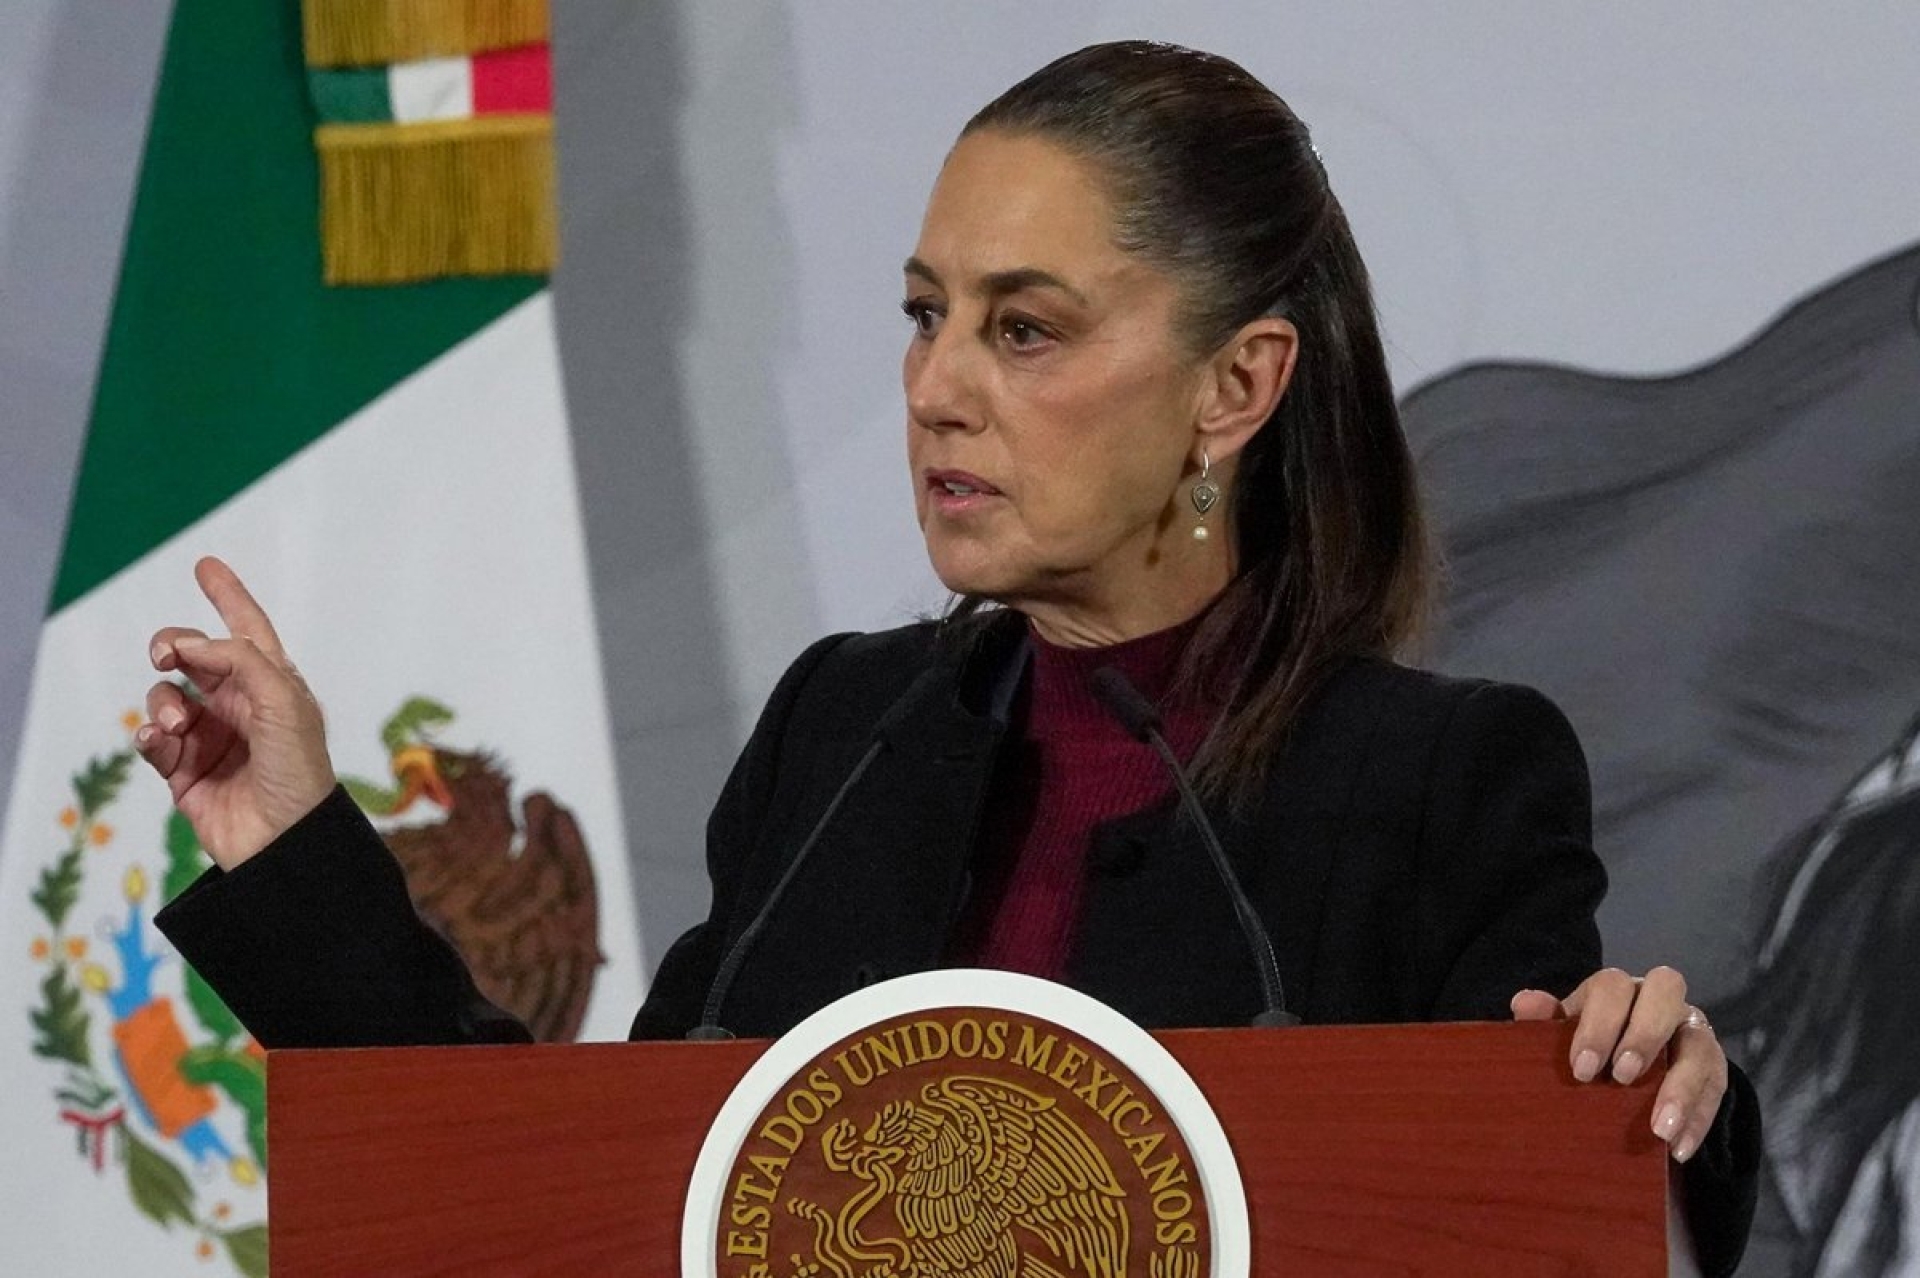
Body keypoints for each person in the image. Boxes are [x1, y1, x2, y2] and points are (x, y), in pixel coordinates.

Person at [135, 41, 1758, 1272]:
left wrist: (1656, 1097)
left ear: (1235, 387)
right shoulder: (846, 734)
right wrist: (292, 851)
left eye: (1024, 328)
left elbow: (1555, 1189)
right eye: (927, 315)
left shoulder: (1437, 778)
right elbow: (596, 1197)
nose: (935, 389)